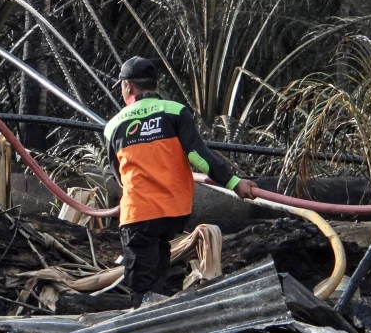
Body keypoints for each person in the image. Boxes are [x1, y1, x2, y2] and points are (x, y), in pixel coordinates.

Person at [104, 57, 257, 307]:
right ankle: (166, 329)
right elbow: (198, 156)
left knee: (141, 289)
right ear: (155, 84)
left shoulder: (114, 126)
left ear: (128, 87)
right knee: (159, 271)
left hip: (139, 215)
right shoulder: (175, 111)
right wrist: (234, 183)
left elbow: (118, 175)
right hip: (173, 213)